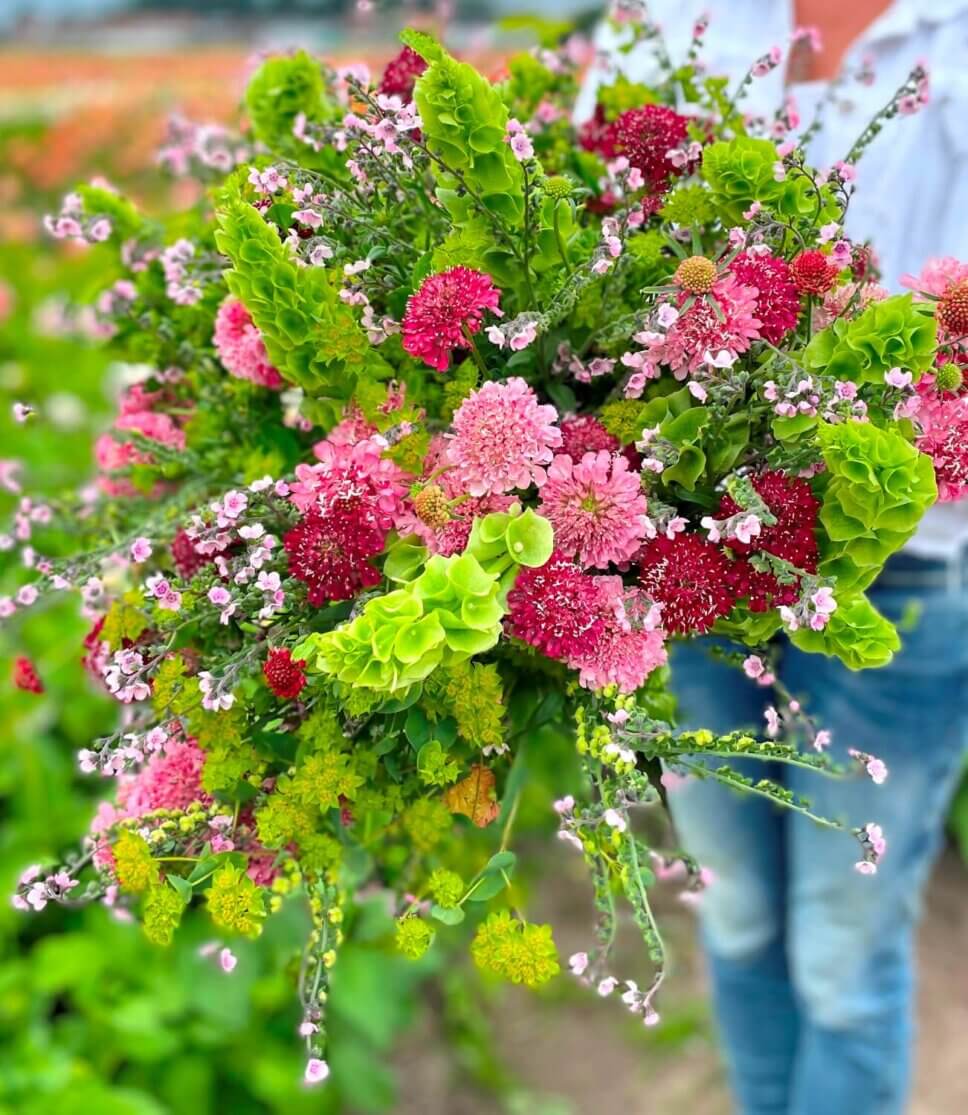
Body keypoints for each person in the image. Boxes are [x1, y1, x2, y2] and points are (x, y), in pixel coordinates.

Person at [579, 4, 968, 1114]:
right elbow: (592, 254)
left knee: (843, 963)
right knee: (737, 914)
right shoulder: (670, 19)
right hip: (693, 555)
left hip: (911, 576)